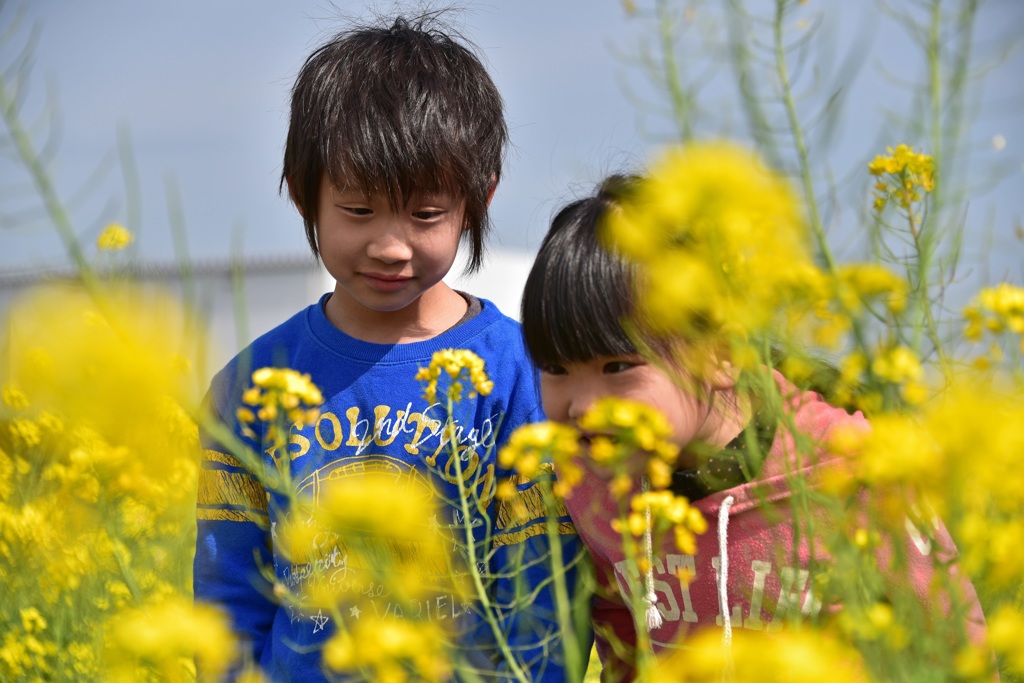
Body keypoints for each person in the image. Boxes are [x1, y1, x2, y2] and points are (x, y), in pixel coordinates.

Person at [194, 14, 587, 682]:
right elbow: (229, 601)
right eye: (357, 210)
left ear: (478, 198)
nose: (390, 244)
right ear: (300, 192)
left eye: (425, 215)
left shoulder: (522, 371)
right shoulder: (249, 386)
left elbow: (542, 593)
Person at [518, 175, 989, 681]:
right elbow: (621, 631)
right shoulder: (592, 485)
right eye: (557, 370)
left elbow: (952, 647)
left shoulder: (856, 472)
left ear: (721, 354)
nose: (584, 406)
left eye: (617, 368)